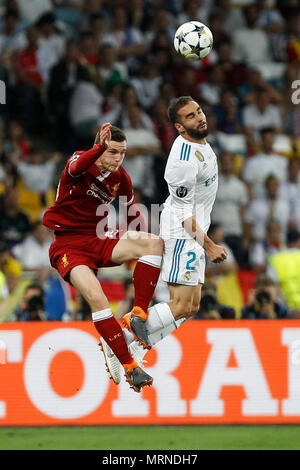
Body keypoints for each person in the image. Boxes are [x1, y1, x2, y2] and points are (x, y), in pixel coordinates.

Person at [43, 123, 163, 392]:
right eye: (112, 152)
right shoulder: (79, 161)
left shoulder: (121, 178)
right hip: (68, 246)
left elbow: (132, 211)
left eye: (122, 153)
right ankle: (130, 366)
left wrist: (140, 242)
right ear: (98, 150)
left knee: (154, 244)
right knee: (98, 299)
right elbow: (75, 168)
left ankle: (138, 313)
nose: (118, 159)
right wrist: (98, 147)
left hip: (99, 237)